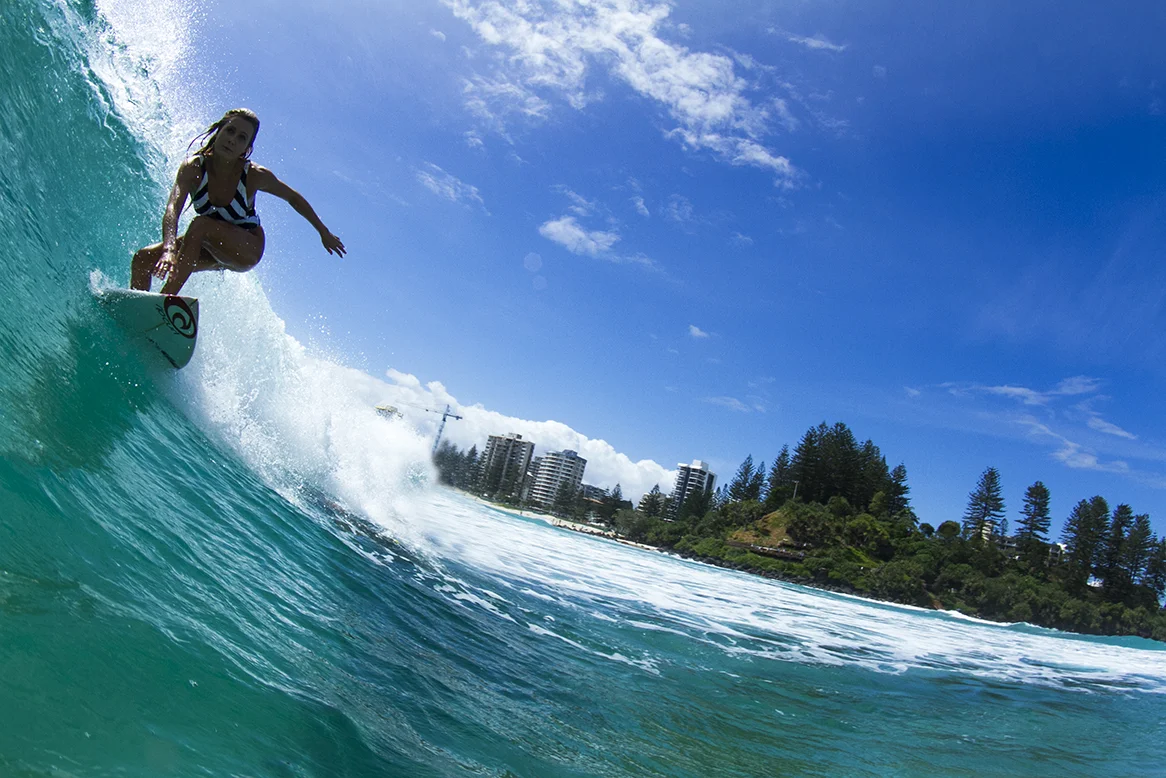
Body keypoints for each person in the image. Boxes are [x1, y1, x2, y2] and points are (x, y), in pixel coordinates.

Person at [131, 108, 345, 295]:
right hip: (208, 247)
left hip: (246, 249)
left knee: (200, 225)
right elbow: (172, 209)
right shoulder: (193, 169)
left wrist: (323, 232)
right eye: (230, 131)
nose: (233, 139)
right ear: (219, 131)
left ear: (246, 148)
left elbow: (293, 198)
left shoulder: (254, 175)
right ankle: (137, 308)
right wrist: (168, 249)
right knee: (143, 259)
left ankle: (164, 301)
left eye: (242, 138)